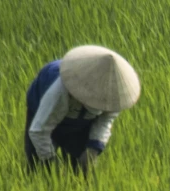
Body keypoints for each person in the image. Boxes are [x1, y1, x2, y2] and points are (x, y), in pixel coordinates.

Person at [23, 45, 140, 173]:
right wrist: (52, 162)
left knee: (83, 167)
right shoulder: (58, 92)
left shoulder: (115, 95)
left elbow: (104, 122)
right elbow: (39, 131)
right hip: (46, 109)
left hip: (81, 119)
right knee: (38, 165)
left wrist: (92, 150)